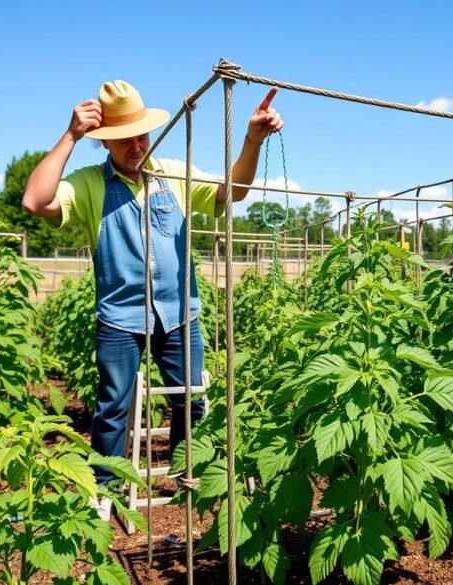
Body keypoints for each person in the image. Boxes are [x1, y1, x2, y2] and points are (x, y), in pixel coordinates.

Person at [23, 80, 282, 519]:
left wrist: (251, 140)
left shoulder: (171, 173)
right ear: (105, 142)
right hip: (120, 317)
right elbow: (34, 200)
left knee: (191, 401)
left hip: (180, 313)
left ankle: (187, 478)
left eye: (140, 135)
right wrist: (69, 136)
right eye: (124, 140)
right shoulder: (90, 184)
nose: (136, 146)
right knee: (113, 408)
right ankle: (101, 493)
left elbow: (232, 191)